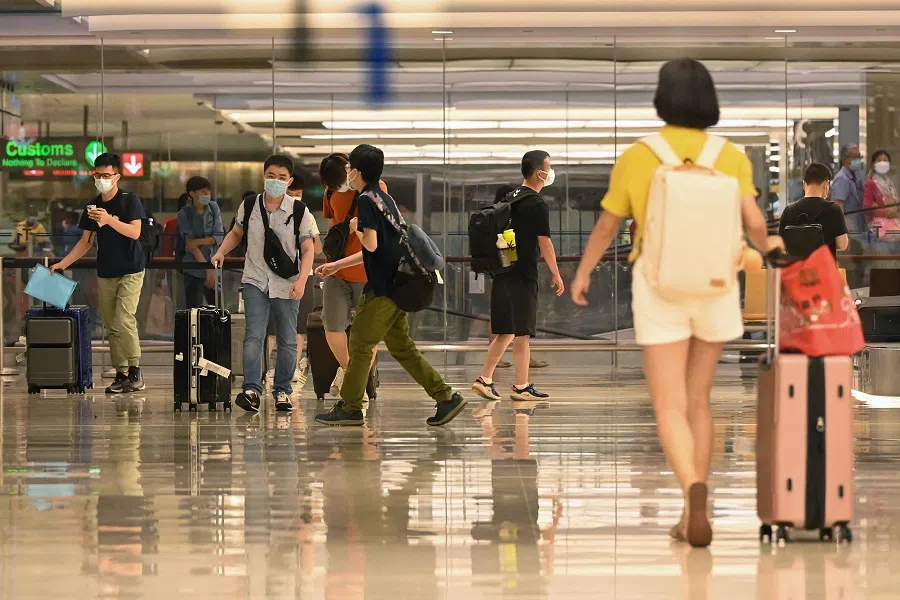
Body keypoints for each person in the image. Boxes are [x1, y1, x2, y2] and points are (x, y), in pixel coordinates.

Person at [569, 59, 783, 548]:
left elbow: (607, 225)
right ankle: (692, 510)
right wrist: (769, 248)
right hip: (716, 281)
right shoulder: (729, 155)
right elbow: (754, 222)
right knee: (699, 400)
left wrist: (582, 272)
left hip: (660, 282)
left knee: (667, 404)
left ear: (661, 99)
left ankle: (692, 488)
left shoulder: (640, 155)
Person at [314, 144, 466, 427]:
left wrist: (356, 229)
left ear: (356, 171)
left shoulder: (366, 201)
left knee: (359, 342)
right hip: (401, 282)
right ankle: (446, 397)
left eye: (349, 169)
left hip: (384, 287)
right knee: (402, 347)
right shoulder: (385, 197)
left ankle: (350, 407)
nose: (347, 172)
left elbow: (371, 243)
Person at [211, 155, 317, 413]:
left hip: (287, 282)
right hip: (255, 280)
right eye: (271, 176)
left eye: (282, 178)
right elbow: (237, 233)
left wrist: (303, 280)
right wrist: (221, 252)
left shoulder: (299, 211)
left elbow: (307, 247)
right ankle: (251, 390)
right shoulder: (249, 205)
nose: (276, 181)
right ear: (263, 176)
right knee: (254, 336)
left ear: (289, 180)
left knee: (287, 339)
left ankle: (282, 391)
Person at [471, 151, 564, 404]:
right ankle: (522, 387)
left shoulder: (509, 198)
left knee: (505, 332)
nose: (551, 171)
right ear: (539, 173)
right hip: (523, 275)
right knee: (522, 333)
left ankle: (485, 379)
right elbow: (544, 242)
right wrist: (556, 273)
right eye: (549, 167)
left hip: (502, 273)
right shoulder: (536, 203)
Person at [51, 153, 148, 394]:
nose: (102, 179)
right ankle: (121, 373)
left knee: (125, 318)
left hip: (132, 268)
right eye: (98, 175)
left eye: (107, 175)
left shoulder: (129, 200)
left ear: (117, 176)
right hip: (107, 270)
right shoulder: (93, 206)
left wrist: (108, 220)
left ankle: (136, 370)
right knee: (111, 324)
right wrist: (62, 264)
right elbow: (85, 242)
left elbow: (135, 232)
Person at [318, 152, 387, 396]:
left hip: (367, 270)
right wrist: (330, 253)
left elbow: (377, 236)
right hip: (336, 269)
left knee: (368, 333)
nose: (339, 187)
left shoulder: (375, 189)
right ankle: (350, 372)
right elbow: (332, 222)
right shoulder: (330, 192)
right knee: (333, 325)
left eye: (340, 181)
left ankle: (353, 385)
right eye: (333, 185)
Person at [264, 173, 321, 385]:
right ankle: (265, 368)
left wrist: (306, 235)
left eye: (299, 194)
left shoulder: (306, 215)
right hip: (276, 276)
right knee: (272, 328)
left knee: (298, 327)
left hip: (303, 275)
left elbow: (317, 247)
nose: (295, 198)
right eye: (291, 194)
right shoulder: (271, 215)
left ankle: (293, 369)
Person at [487, 184, 550, 371]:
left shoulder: (494, 217)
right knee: (518, 328)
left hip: (499, 272)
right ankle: (521, 380)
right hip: (517, 274)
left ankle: (487, 375)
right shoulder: (508, 216)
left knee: (505, 326)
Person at [779, 163, 849, 258]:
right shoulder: (833, 209)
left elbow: (781, 245)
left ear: (804, 184)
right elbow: (842, 244)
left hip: (797, 271)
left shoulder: (789, 211)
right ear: (827, 184)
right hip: (823, 270)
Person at [177, 176, 223, 309]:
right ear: (192, 193)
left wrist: (197, 241)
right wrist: (207, 269)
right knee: (193, 311)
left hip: (214, 267)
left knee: (218, 310)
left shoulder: (213, 208)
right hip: (193, 269)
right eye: (203, 191)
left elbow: (219, 236)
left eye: (208, 191)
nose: (207, 194)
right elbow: (190, 246)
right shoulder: (184, 214)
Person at [863, 149, 900, 238]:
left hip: (893, 221)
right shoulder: (871, 183)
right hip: (878, 225)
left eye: (885, 160)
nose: (883, 163)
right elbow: (867, 207)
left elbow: (896, 201)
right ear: (873, 165)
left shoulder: (890, 183)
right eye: (879, 161)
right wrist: (887, 212)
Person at [832, 143, 866, 235]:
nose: (858, 160)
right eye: (854, 157)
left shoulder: (855, 177)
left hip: (858, 224)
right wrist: (843, 231)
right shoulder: (841, 178)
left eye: (859, 157)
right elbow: (839, 207)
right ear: (844, 159)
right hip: (848, 225)